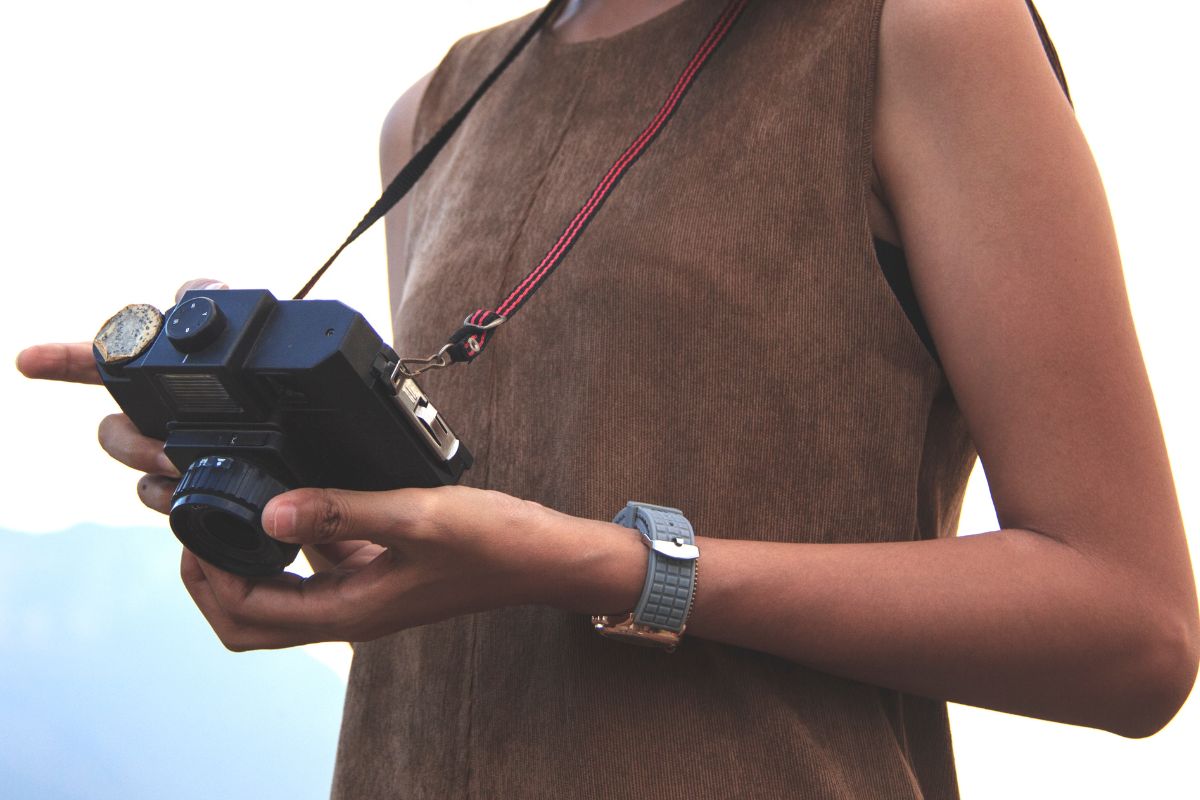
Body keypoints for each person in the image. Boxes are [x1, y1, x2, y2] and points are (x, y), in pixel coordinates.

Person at [18, 0, 1199, 797]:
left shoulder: (918, 29)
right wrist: (280, 475)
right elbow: (463, 529)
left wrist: (610, 565)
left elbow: (1135, 632)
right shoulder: (434, 108)